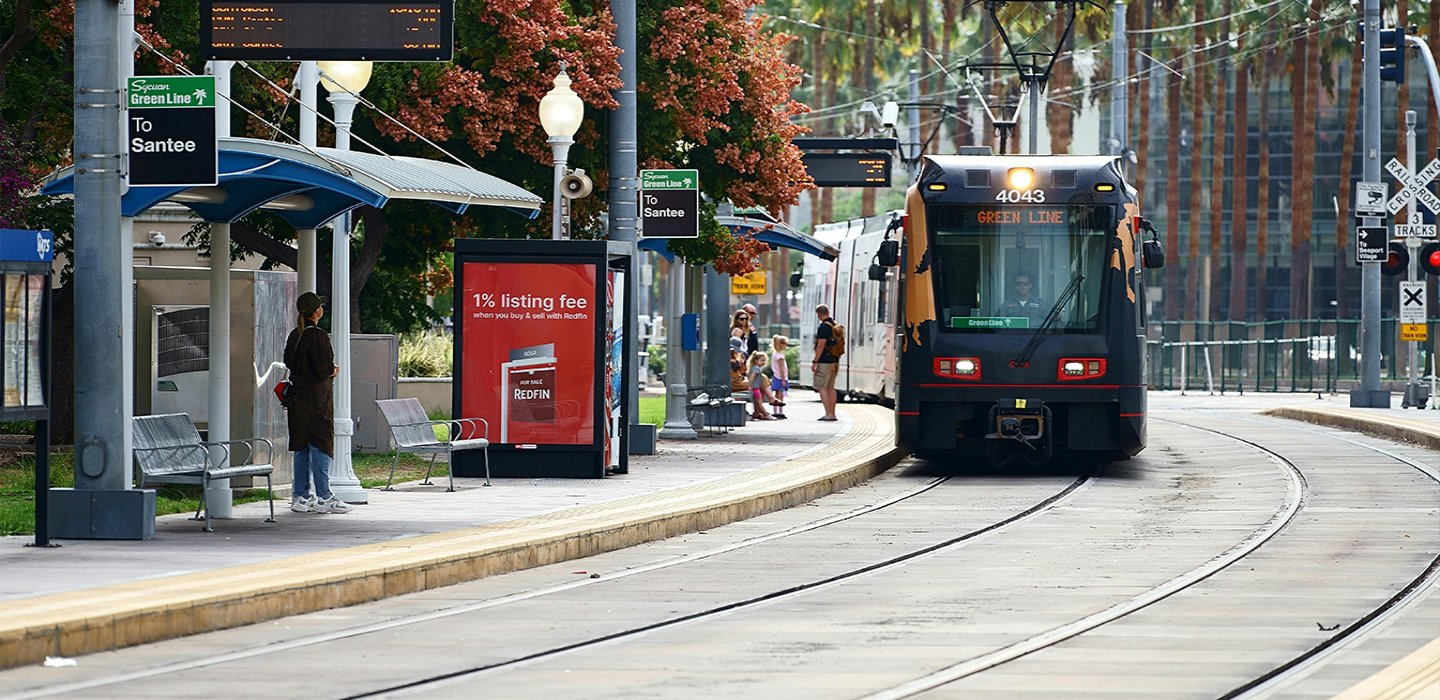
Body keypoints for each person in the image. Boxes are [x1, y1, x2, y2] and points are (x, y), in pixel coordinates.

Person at [283, 292, 352, 515]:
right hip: (317, 401)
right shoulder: (318, 336)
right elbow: (324, 368)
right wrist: (334, 370)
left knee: (301, 446)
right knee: (321, 445)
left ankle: (300, 495)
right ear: (317, 311)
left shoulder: (295, 335)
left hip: (296, 400)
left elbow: (289, 362)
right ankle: (325, 495)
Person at [812, 304, 839, 421]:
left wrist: (815, 361)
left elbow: (820, 345)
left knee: (822, 387)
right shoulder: (834, 325)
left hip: (824, 361)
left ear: (819, 314)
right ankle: (833, 413)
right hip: (834, 361)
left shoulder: (823, 327)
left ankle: (828, 414)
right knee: (831, 388)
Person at [747, 351, 776, 420]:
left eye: (764, 361)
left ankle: (756, 414)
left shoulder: (754, 367)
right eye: (762, 360)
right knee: (759, 402)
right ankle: (766, 414)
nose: (763, 362)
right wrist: (750, 385)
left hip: (755, 388)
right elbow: (752, 377)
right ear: (756, 360)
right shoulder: (756, 368)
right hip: (755, 389)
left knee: (756, 402)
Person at [769, 335, 790, 419]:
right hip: (780, 377)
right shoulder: (780, 356)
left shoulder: (775, 354)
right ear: (780, 344)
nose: (786, 345)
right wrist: (783, 379)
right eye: (785, 343)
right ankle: (780, 412)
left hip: (776, 376)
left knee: (777, 395)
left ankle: (775, 411)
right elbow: (782, 368)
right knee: (780, 396)